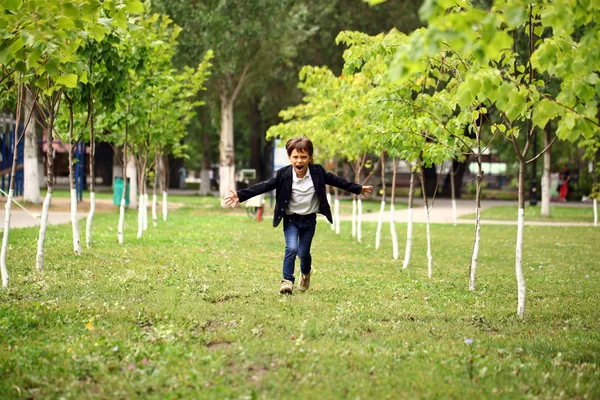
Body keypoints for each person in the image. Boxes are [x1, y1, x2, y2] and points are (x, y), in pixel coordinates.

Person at [224, 137, 373, 294]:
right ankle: (287, 281)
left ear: (309, 158)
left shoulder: (317, 172)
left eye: (303, 157)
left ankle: (305, 273)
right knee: (292, 248)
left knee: (303, 253)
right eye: (295, 157)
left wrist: (358, 189)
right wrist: (240, 196)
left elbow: (337, 181)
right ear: (289, 158)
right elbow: (264, 186)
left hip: (309, 221)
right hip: (291, 220)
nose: (299, 161)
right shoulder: (283, 174)